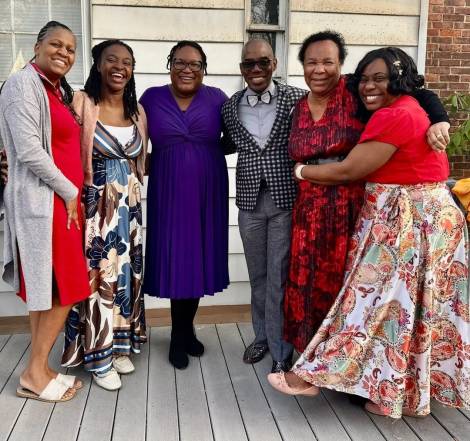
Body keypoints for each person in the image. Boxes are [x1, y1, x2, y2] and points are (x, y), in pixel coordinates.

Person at [268, 47, 470, 419]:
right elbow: (420, 95)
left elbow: (349, 170)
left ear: (400, 80)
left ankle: (311, 375)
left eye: (380, 78)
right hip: (422, 220)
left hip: (409, 222)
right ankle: (401, 395)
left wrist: (300, 171)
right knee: (409, 310)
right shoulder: (400, 105)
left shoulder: (396, 114)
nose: (369, 86)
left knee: (365, 303)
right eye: (365, 79)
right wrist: (438, 117)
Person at [283, 31, 452, 354]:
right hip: (309, 206)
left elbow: (414, 91)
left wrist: (440, 119)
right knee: (305, 280)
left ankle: (342, 358)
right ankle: (307, 354)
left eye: (328, 62)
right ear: (302, 66)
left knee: (350, 284)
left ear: (341, 65)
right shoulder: (297, 106)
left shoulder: (354, 89)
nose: (319, 69)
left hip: (353, 203)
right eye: (311, 62)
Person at [0, 21, 90, 402]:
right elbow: (28, 150)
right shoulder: (22, 84)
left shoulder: (54, 89)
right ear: (37, 46)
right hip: (46, 201)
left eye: (71, 49)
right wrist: (69, 191)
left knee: (49, 289)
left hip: (61, 202)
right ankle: (35, 372)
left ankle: (39, 370)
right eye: (56, 44)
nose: (64, 53)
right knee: (68, 287)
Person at [61, 40, 148, 390]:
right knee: (99, 277)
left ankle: (120, 345)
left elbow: (139, 162)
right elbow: (55, 138)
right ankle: (98, 356)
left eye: (127, 62)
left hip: (131, 210)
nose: (120, 67)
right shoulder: (81, 102)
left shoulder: (137, 111)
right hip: (96, 208)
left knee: (127, 276)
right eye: (112, 60)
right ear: (98, 64)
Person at [140, 41, 229, 369]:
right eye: (180, 62)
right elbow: (133, 141)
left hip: (208, 189)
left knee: (198, 257)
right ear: (170, 65)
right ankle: (179, 335)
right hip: (169, 190)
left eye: (195, 64)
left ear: (204, 69)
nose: (187, 69)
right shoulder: (151, 98)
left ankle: (185, 330)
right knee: (177, 257)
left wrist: (206, 153)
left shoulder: (218, 99)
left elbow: (237, 137)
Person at [222, 39, 306, 373]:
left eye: (263, 62)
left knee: (279, 277)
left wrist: (435, 115)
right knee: (257, 275)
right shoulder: (230, 106)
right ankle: (262, 337)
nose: (256, 69)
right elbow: (222, 143)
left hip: (286, 199)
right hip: (248, 202)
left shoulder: (297, 98)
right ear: (241, 68)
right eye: (249, 64)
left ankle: (281, 350)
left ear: (275, 63)